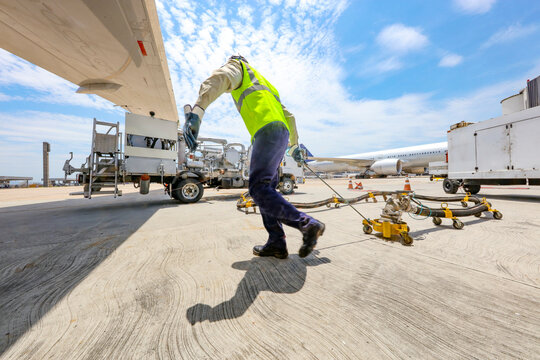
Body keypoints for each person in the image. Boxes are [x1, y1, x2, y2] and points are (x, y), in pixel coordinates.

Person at [183, 55, 324, 259]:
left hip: (265, 132)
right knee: (267, 190)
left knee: (258, 189)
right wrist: (293, 146)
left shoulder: (238, 67)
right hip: (280, 134)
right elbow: (290, 117)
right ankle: (276, 242)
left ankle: (308, 225)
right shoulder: (266, 84)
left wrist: (197, 112)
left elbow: (218, 78)